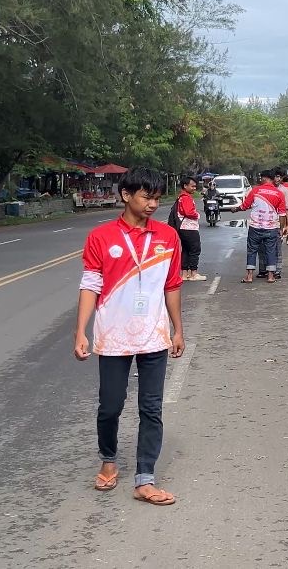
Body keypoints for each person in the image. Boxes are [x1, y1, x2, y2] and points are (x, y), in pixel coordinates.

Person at [73, 166, 185, 506]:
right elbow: (90, 284)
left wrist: (178, 329)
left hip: (154, 335)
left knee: (151, 408)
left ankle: (145, 478)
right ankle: (108, 459)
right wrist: (81, 331)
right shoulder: (101, 237)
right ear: (126, 195)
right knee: (110, 405)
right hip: (113, 337)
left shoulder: (168, 236)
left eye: (157, 198)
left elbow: (172, 285)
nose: (153, 204)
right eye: (146, 197)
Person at [239, 170, 288, 283]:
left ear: (265, 178)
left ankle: (249, 276)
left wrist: (236, 209)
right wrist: (281, 229)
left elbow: (245, 206)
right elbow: (282, 214)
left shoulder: (255, 190)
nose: (260, 180)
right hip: (271, 228)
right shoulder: (279, 193)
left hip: (255, 227)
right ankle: (270, 277)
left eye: (261, 178)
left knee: (252, 250)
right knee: (271, 251)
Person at [175, 176, 206, 282]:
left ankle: (184, 274)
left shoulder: (181, 197)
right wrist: (197, 215)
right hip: (189, 228)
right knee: (195, 250)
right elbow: (188, 212)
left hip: (182, 228)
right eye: (192, 186)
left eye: (195, 186)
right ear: (185, 186)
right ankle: (193, 273)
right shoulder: (186, 198)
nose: (194, 188)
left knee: (185, 250)